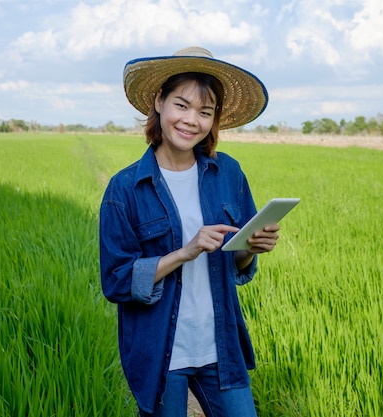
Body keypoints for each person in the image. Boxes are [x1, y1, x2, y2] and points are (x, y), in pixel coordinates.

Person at [99, 46, 280, 417]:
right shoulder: (125, 189)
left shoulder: (228, 173)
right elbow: (116, 281)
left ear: (213, 120)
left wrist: (252, 247)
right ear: (159, 102)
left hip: (221, 344)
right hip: (161, 353)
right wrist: (186, 251)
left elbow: (237, 264)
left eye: (204, 111)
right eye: (181, 105)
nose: (191, 120)